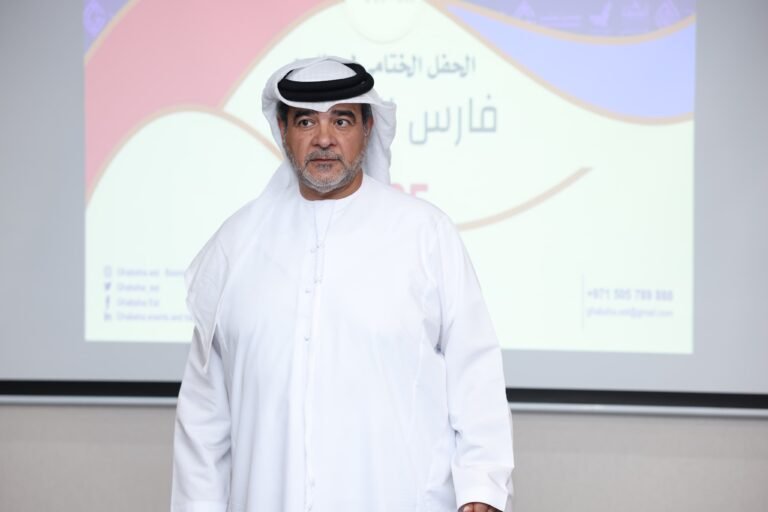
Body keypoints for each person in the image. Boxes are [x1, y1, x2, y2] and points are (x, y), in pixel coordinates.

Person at [171, 56, 514, 512]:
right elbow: (204, 416)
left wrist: (482, 487)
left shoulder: (425, 234)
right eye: (306, 121)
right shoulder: (236, 246)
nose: (324, 138)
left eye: (342, 120)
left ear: (367, 127)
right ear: (283, 129)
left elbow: (475, 370)